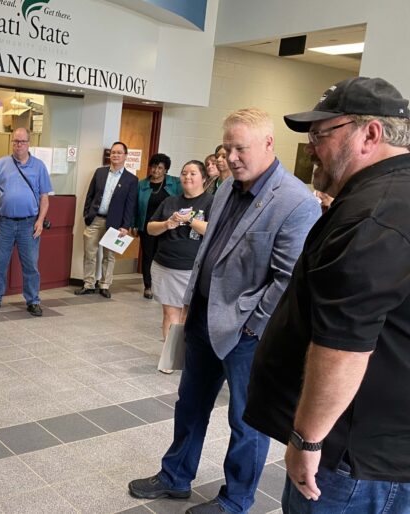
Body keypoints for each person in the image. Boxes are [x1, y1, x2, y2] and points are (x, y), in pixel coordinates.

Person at [128, 108, 320, 514]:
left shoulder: (295, 202)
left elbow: (288, 280)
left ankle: (235, 500)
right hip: (201, 317)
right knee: (190, 404)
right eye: (227, 147)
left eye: (240, 148)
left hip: (247, 335)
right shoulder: (229, 188)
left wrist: (252, 327)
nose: (230, 157)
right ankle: (176, 477)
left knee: (246, 422)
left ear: (269, 144)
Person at [245, 77, 410, 513]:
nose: (311, 147)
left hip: (350, 461)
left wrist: (306, 439)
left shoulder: (373, 215)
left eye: (321, 135)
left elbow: (345, 347)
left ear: (370, 134)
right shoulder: (388, 198)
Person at [146, 160, 212, 373]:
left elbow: (214, 230)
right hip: (165, 264)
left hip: (193, 268)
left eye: (193, 173)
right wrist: (167, 224)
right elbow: (150, 228)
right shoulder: (170, 202)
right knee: (170, 313)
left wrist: (190, 220)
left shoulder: (212, 203)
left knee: (189, 316)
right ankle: (170, 358)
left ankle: (188, 357)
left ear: (203, 178)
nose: (187, 177)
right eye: (184, 173)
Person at [0, 127, 53, 317]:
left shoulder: (39, 166)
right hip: (4, 223)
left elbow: (45, 197)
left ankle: (33, 301)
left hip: (29, 225)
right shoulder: (1, 164)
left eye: (22, 142)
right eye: (15, 141)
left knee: (30, 266)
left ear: (29, 144)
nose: (18, 145)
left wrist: (40, 221)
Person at [74, 141, 137, 299]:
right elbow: (90, 195)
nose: (115, 155)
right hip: (95, 220)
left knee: (109, 256)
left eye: (119, 153)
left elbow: (131, 205)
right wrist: (87, 215)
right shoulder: (100, 172)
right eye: (113, 152)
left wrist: (125, 226)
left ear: (125, 156)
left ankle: (104, 285)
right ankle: (88, 284)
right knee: (90, 254)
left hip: (115, 224)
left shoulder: (131, 179)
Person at [135, 153, 182, 299]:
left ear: (166, 170)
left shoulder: (175, 183)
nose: (156, 171)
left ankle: (162, 285)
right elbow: (135, 206)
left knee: (163, 255)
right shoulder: (142, 184)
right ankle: (148, 286)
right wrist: (134, 224)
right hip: (148, 227)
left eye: (160, 168)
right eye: (154, 167)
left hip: (167, 227)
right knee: (148, 256)